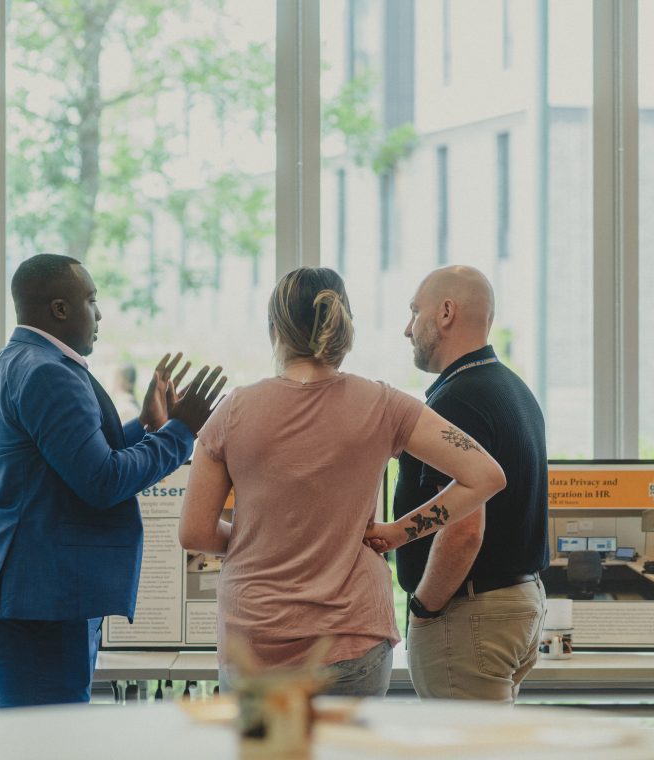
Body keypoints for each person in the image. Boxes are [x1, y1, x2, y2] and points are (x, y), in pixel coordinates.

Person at [178, 266, 506, 696]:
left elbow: (195, 532)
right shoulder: (384, 404)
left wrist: (259, 539)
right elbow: (486, 475)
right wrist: (398, 533)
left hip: (254, 641)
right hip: (351, 638)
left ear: (275, 328)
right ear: (344, 326)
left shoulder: (233, 411)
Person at [0, 253, 225, 707]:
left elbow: (64, 462)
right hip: (38, 599)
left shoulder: (21, 360)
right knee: (52, 743)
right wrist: (181, 433)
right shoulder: (47, 373)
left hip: (28, 592)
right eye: (92, 301)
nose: (99, 314)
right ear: (60, 309)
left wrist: (146, 425)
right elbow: (101, 481)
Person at [393, 265, 549, 703]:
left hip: (468, 612)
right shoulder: (510, 388)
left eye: (414, 312)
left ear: (445, 312)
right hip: (516, 602)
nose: (407, 330)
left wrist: (424, 608)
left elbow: (464, 528)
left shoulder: (459, 401)